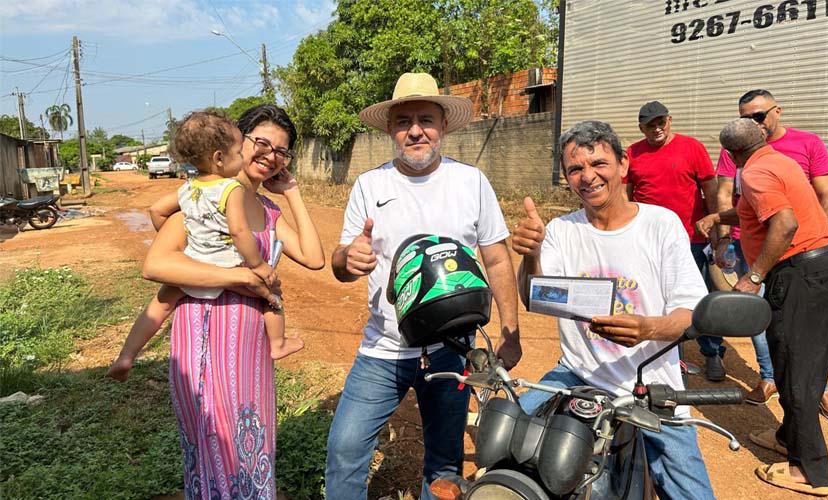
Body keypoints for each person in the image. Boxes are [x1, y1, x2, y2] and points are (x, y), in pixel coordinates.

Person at [325, 72, 521, 499]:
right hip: (383, 348)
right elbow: (341, 261)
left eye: (426, 119)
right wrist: (347, 260)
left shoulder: (471, 182)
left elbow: (497, 259)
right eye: (404, 121)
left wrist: (511, 332)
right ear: (391, 130)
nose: (415, 130)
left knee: (444, 465)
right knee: (344, 449)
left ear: (443, 125)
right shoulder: (370, 185)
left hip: (453, 348)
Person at [513, 120, 714, 500]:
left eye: (598, 163)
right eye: (575, 168)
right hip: (576, 373)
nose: (588, 176)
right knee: (511, 443)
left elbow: (692, 314)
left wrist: (647, 329)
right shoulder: (561, 230)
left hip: (652, 387)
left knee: (693, 492)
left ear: (623, 164)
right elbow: (534, 298)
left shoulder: (661, 225)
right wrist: (531, 255)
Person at [141, 104, 325, 498]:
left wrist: (293, 193)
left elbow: (314, 258)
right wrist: (239, 277)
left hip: (252, 346)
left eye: (282, 151)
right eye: (262, 143)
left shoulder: (269, 211)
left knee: (252, 438)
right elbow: (156, 264)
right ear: (236, 143)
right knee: (215, 441)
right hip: (206, 334)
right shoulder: (204, 199)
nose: (271, 156)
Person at [697, 118, 828, 497]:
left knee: (795, 370)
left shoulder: (755, 173)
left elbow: (785, 223)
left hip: (801, 274)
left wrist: (754, 275)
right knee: (797, 361)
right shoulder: (778, 161)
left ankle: (811, 471)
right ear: (761, 137)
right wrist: (719, 216)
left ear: (731, 154)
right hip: (824, 266)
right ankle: (787, 438)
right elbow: (757, 210)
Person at [106, 111, 304, 382]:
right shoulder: (231, 190)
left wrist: (188, 237)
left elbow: (156, 211)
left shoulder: (189, 188)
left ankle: (127, 355)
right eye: (238, 152)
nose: (241, 158)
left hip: (196, 259)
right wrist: (257, 265)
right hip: (227, 263)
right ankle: (279, 343)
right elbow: (239, 231)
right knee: (271, 297)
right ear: (219, 158)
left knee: (160, 305)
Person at [707, 89, 828, 421]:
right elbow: (727, 195)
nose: (752, 123)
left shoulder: (806, 144)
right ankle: (769, 378)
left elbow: (823, 196)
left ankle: (817, 390)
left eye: (758, 115)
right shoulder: (738, 149)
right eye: (745, 118)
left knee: (802, 335)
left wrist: (816, 247)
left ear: (777, 111)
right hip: (752, 246)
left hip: (797, 256)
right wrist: (721, 232)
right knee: (763, 322)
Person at [623, 101, 722, 381]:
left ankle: (712, 352)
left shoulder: (692, 147)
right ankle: (670, 358)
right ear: (641, 128)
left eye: (660, 122)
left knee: (700, 298)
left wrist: (715, 227)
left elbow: (710, 190)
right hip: (647, 240)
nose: (657, 129)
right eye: (650, 125)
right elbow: (626, 194)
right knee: (654, 297)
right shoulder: (633, 153)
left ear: (669, 120)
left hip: (690, 238)